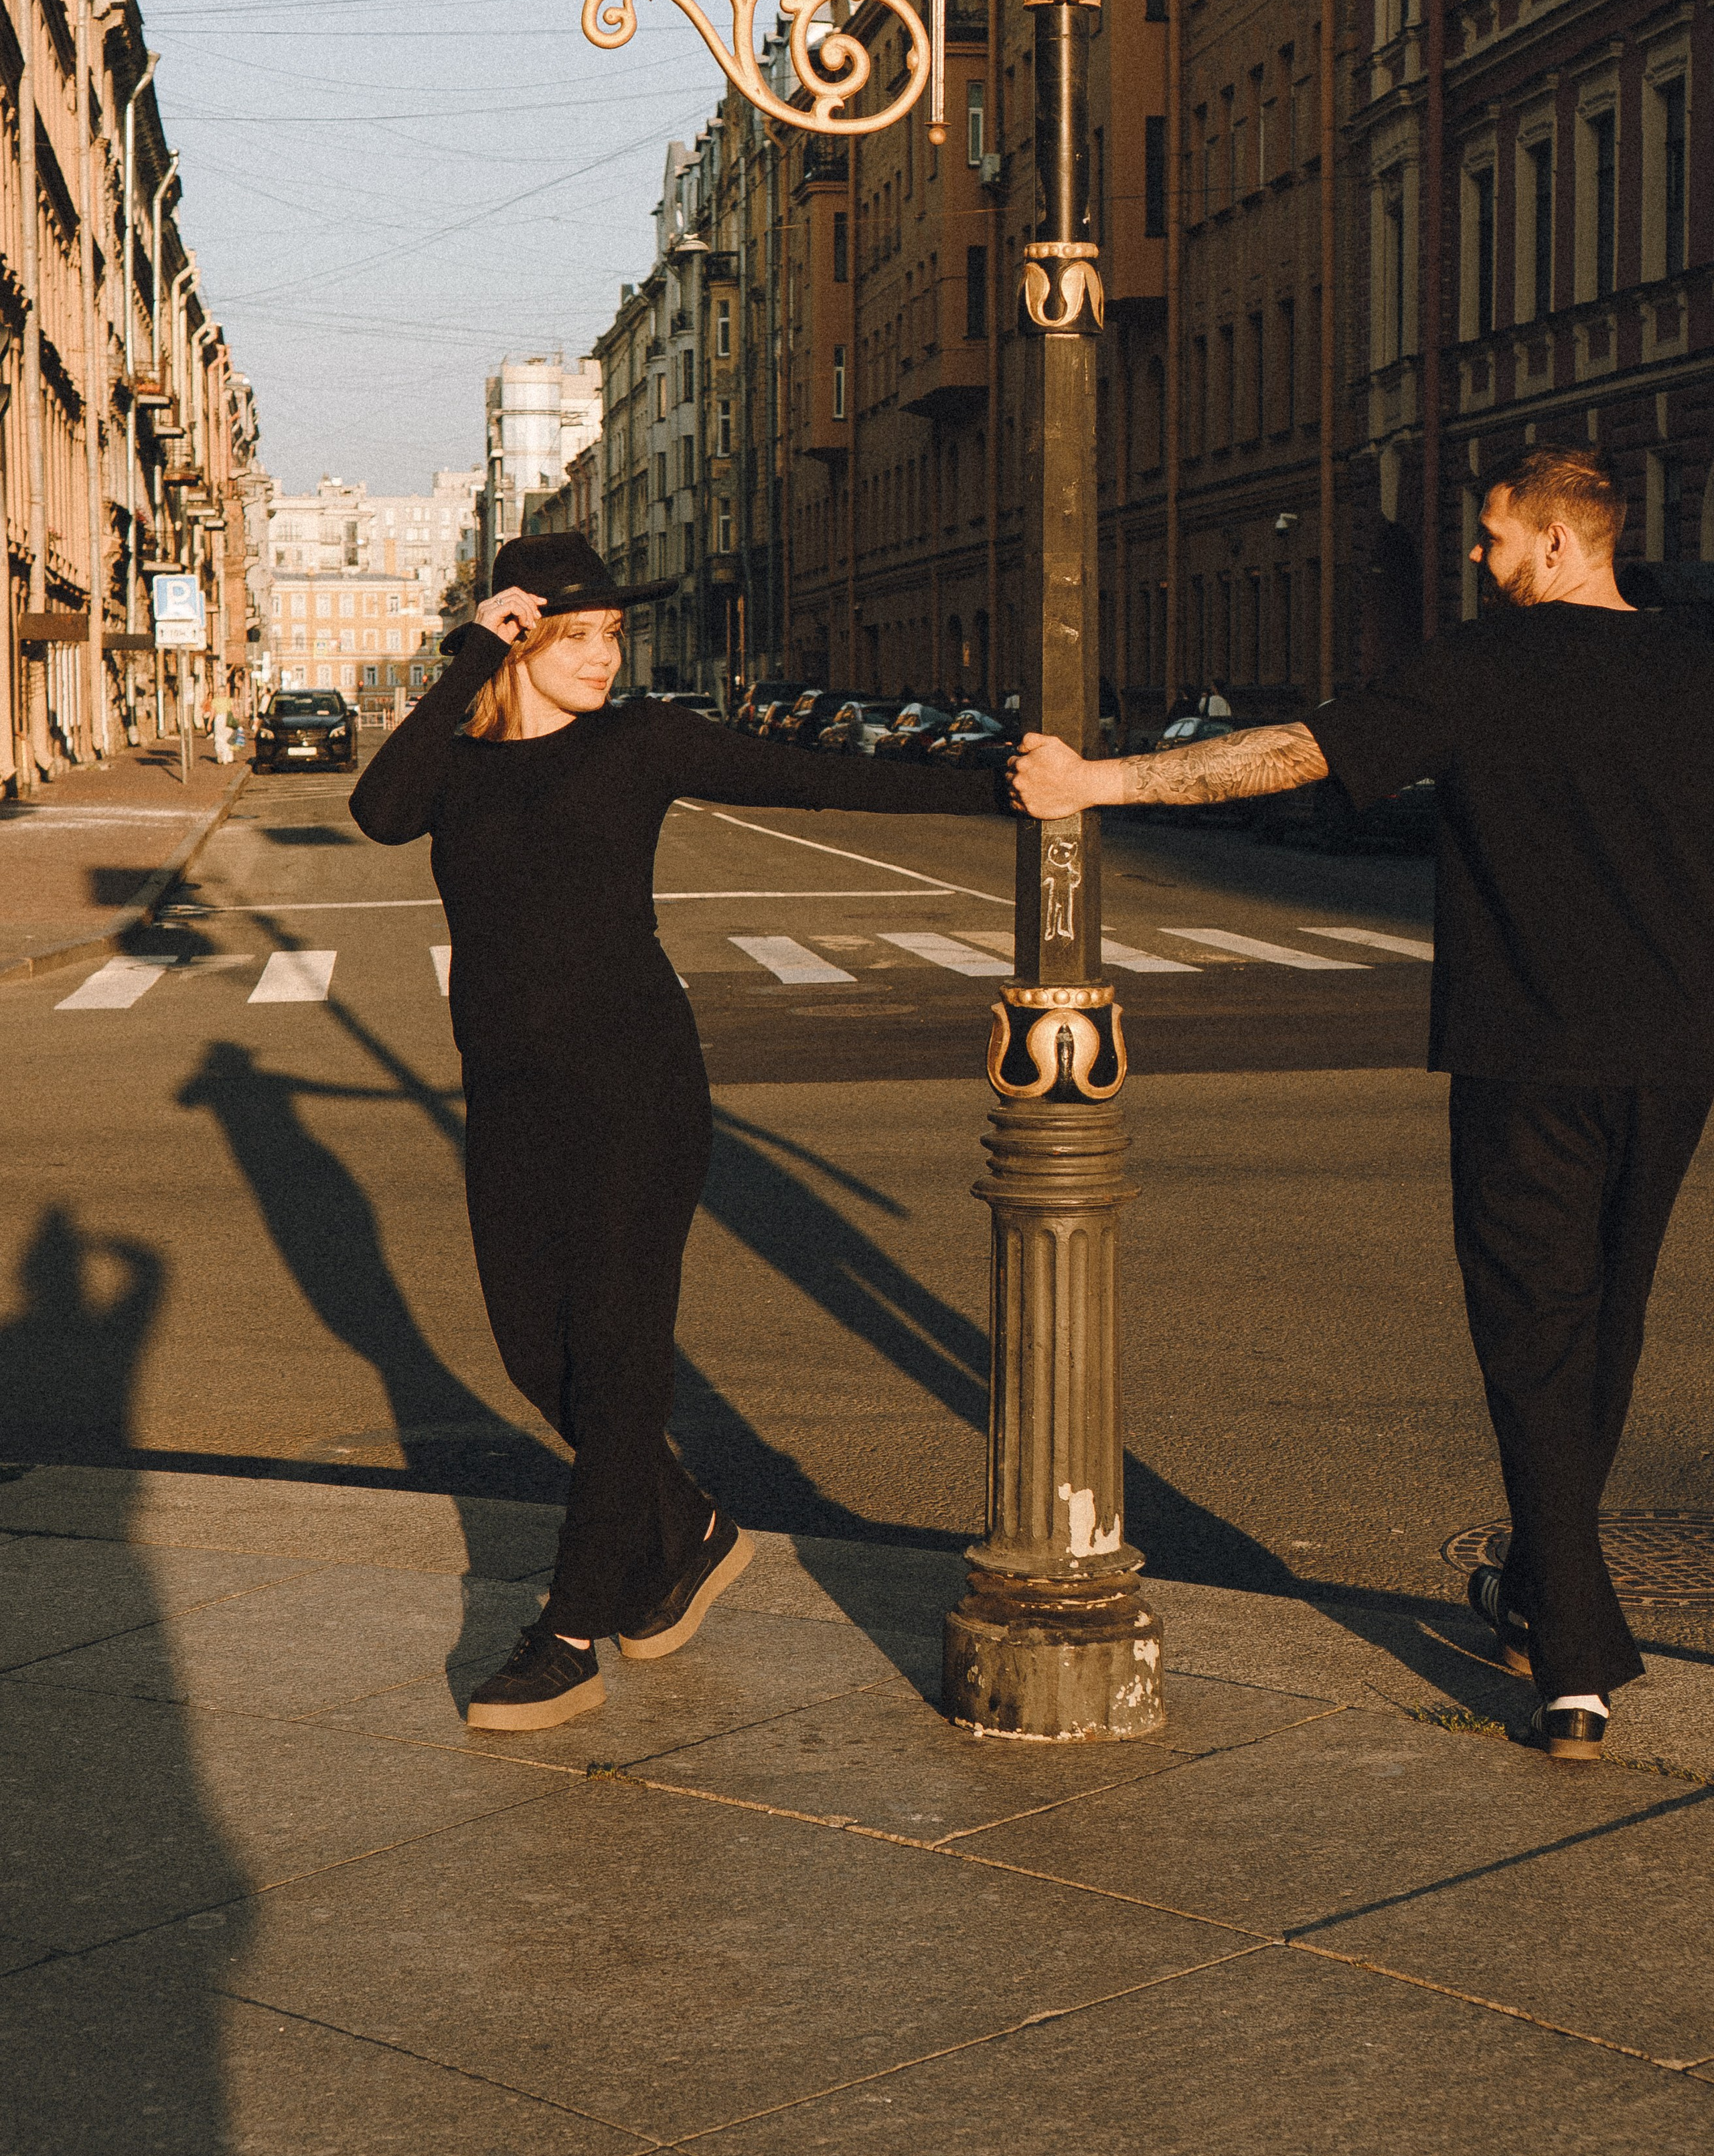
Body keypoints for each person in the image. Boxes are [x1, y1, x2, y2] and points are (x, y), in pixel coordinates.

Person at [1008, 447, 1714, 1766]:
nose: (1474, 555)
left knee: (1531, 1343)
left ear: (1560, 545)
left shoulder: (1479, 666)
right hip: (1673, 1055)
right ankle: (1540, 1591)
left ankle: (1570, 1669)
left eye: (1494, 534)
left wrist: (1097, 784)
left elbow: (1291, 753)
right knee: (1601, 1327)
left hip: (1526, 1056)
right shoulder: (1693, 661)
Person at [350, 532, 1008, 1732]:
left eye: (614, 635)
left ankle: (568, 1629)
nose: (605, 656)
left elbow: (818, 781)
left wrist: (1009, 790)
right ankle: (685, 1532)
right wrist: (464, 654)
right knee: (532, 1354)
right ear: (520, 637)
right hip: (509, 1092)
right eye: (578, 635)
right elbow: (378, 811)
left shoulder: (640, 742)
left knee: (614, 1351)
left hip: (635, 1085)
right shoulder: (455, 761)